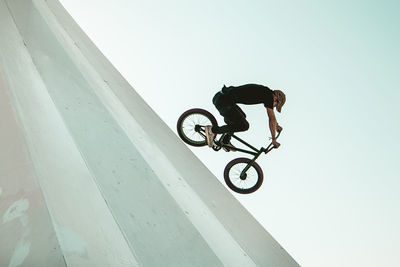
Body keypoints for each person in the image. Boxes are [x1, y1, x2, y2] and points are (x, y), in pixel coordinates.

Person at [205, 84, 285, 151]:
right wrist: (274, 139)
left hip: (221, 98)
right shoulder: (268, 95)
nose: (273, 107)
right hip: (224, 102)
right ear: (276, 98)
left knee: (242, 117)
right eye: (275, 105)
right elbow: (271, 118)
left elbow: (273, 119)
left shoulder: (265, 92)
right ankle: (212, 130)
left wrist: (276, 126)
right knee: (244, 125)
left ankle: (225, 141)